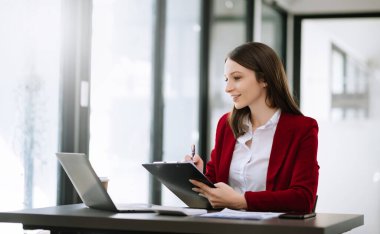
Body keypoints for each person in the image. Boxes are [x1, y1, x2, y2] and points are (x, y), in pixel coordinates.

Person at [185, 42, 319, 213]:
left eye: (237, 78)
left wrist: (242, 201)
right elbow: (215, 189)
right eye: (227, 79)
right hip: (224, 227)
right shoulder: (226, 125)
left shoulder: (303, 129)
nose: (227, 88)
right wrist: (198, 176)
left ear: (264, 79)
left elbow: (303, 199)